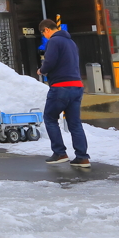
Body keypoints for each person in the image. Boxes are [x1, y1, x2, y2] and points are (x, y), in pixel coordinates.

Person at [36, 19, 90, 168]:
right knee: (75, 123)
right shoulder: (71, 42)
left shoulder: (54, 41)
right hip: (76, 86)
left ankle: (60, 153)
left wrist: (42, 70)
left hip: (61, 86)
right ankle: (82, 157)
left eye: (43, 33)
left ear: (46, 30)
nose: (45, 36)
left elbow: (50, 61)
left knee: (50, 117)